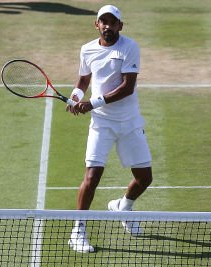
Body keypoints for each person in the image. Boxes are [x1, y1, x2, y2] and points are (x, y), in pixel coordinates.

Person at [65, 4, 152, 253]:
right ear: (96, 25)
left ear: (119, 26)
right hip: (101, 123)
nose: (107, 26)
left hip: (129, 121)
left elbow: (127, 87)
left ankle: (123, 207)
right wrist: (76, 95)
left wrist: (92, 102)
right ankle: (78, 231)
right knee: (92, 177)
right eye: (103, 22)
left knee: (145, 178)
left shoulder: (130, 47)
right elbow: (84, 79)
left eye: (112, 22)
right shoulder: (87, 49)